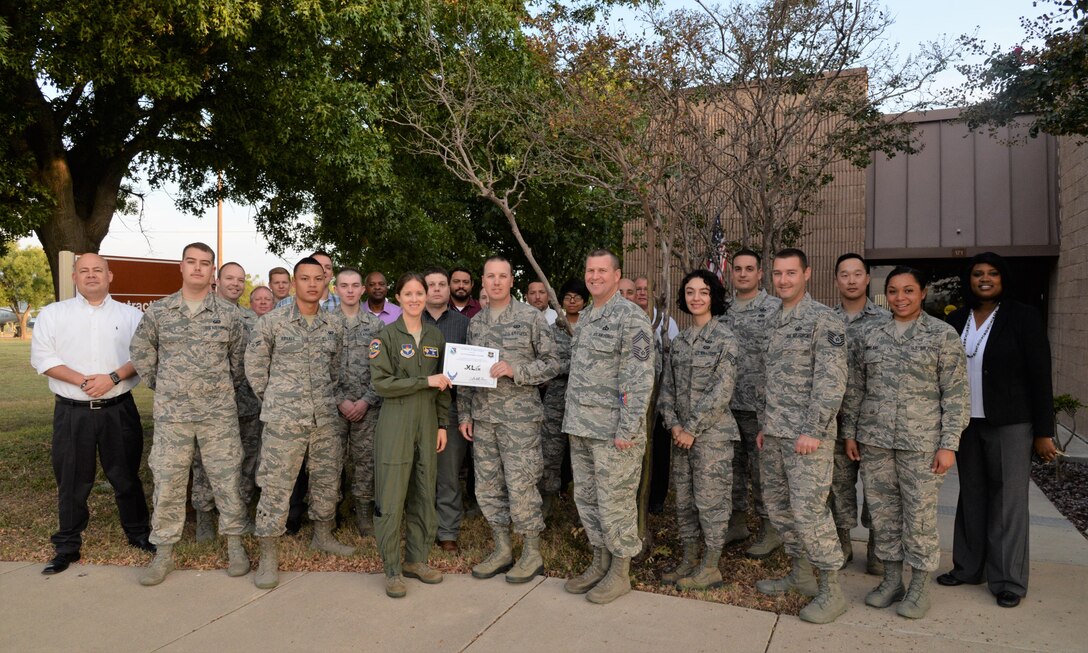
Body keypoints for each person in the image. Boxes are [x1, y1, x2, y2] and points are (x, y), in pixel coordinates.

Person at [841, 266, 969, 619]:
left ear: (923, 292)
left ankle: (919, 588)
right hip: (876, 440)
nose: (901, 298)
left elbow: (956, 394)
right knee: (884, 515)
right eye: (894, 291)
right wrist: (850, 431)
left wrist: (949, 444)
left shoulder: (942, 336)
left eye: (908, 291)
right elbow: (856, 388)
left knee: (920, 517)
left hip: (921, 444)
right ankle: (892, 581)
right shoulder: (871, 334)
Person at [937, 252, 1058, 609]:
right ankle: (968, 567)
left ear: (1003, 278)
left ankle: (1008, 579)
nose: (984, 279)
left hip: (1010, 423)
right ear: (968, 279)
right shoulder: (957, 319)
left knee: (1009, 502)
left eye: (992, 273)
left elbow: (1040, 375)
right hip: (965, 424)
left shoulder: (1023, 317)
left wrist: (1043, 430)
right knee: (971, 496)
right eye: (977, 274)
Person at [130, 242, 250, 586]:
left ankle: (236, 545)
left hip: (218, 415)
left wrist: (213, 390)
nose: (198, 268)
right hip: (174, 416)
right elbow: (141, 353)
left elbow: (238, 364)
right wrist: (168, 385)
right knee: (168, 481)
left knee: (227, 479)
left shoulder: (228, 315)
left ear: (212, 271)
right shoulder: (159, 312)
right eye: (191, 262)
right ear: (181, 268)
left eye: (205, 263)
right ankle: (164, 552)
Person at [30, 253, 153, 575]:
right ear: (75, 277)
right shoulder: (54, 314)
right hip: (73, 412)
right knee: (72, 480)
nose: (91, 275)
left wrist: (111, 378)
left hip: (118, 410)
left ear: (110, 276)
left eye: (97, 270)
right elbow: (43, 358)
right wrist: (83, 381)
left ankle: (139, 533)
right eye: (84, 271)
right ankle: (67, 545)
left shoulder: (130, 316)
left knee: (126, 476)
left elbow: (142, 357)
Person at [245, 257, 355, 590]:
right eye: (304, 278)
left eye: (317, 279)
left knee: (326, 479)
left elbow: (335, 371)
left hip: (324, 418)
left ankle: (322, 535)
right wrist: (277, 401)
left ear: (325, 283)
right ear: (293, 283)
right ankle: (268, 554)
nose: (311, 284)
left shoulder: (333, 325)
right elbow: (254, 368)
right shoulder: (273, 322)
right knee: (276, 485)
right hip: (284, 420)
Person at [755, 248, 848, 624]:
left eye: (791, 273)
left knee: (810, 512)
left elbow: (831, 381)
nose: (783, 280)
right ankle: (802, 574)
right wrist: (764, 425)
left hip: (808, 437)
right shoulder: (772, 320)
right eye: (777, 274)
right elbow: (768, 380)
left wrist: (813, 429)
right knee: (779, 508)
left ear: (807, 274)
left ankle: (832, 590)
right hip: (775, 434)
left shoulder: (823, 320)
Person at [459, 257, 559, 583]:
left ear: (511, 280)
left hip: (520, 419)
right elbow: (465, 375)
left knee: (521, 486)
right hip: (484, 418)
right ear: (483, 281)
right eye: (491, 276)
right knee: (487, 487)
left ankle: (532, 553)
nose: (497, 282)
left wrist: (518, 371)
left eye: (503, 276)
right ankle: (502, 549)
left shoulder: (530, 318)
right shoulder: (475, 323)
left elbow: (553, 363)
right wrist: (465, 414)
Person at [563, 250, 654, 604]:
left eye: (602, 270)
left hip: (614, 433)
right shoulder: (586, 316)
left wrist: (628, 430)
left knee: (615, 502)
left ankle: (620, 572)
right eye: (590, 270)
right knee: (587, 498)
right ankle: (599, 561)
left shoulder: (630, 318)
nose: (595, 276)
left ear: (617, 276)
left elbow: (639, 377)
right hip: (582, 427)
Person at [369, 272, 453, 598]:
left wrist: (443, 424)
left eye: (421, 292)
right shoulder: (385, 337)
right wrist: (424, 382)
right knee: (391, 496)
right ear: (399, 298)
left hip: (428, 422)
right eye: (409, 293)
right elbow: (382, 384)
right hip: (396, 423)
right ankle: (392, 569)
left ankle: (417, 559)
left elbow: (444, 385)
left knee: (423, 491)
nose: (416, 298)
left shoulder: (435, 336)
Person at [658, 270, 739, 590]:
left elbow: (723, 390)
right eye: (690, 292)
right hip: (681, 437)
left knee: (711, 502)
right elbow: (668, 389)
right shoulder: (680, 342)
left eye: (703, 292)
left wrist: (691, 427)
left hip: (712, 437)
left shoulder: (724, 339)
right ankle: (690, 557)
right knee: (685, 502)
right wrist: (675, 424)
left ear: (713, 296)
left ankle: (711, 566)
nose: (696, 298)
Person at [190, 262, 261, 542]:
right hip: (211, 407)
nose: (235, 283)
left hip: (246, 405)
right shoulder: (201, 313)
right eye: (229, 278)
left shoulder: (252, 318)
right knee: (205, 462)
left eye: (240, 280)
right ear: (217, 280)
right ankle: (205, 516)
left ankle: (239, 514)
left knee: (245, 460)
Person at [720, 248, 783, 559]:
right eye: (738, 269)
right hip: (727, 407)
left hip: (761, 408)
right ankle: (737, 522)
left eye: (749, 269)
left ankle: (770, 529)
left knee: (763, 472)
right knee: (733, 470)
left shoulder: (775, 309)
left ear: (760, 274)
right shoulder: (723, 310)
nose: (743, 274)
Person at [830, 253, 890, 574]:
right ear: (836, 280)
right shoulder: (825, 321)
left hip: (874, 420)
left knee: (878, 485)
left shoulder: (885, 320)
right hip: (835, 418)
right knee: (838, 484)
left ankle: (878, 549)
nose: (851, 280)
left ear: (868, 279)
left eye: (857, 274)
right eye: (844, 274)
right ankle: (842, 543)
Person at [421, 267, 471, 553]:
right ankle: (422, 528)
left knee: (449, 474)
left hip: (452, 410)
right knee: (419, 473)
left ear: (449, 289)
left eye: (442, 284)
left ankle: (448, 530)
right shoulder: (411, 322)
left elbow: (473, 372)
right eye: (431, 284)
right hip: (417, 409)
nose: (437, 289)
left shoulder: (465, 324)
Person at [334, 268, 385, 536]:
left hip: (368, 407)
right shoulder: (325, 322)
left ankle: (364, 515)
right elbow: (318, 368)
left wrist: (365, 401)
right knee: (330, 463)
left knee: (366, 462)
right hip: (333, 407)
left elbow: (383, 369)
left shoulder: (375, 326)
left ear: (362, 290)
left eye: (355, 285)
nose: (350, 290)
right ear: (336, 289)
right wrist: (340, 400)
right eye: (345, 285)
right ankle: (329, 515)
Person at [539, 279, 588, 513]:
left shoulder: (591, 327)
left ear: (585, 301)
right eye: (567, 297)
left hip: (586, 399)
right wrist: (575, 365)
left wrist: (566, 366)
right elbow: (549, 363)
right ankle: (547, 500)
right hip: (556, 397)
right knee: (550, 451)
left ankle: (583, 507)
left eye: (576, 297)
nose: (571, 301)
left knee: (584, 456)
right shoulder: (553, 328)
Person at [633, 274, 676, 517]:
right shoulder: (627, 320)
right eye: (637, 288)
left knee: (659, 450)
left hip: (659, 398)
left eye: (645, 289)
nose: (640, 293)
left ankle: (657, 498)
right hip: (636, 402)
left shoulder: (666, 323)